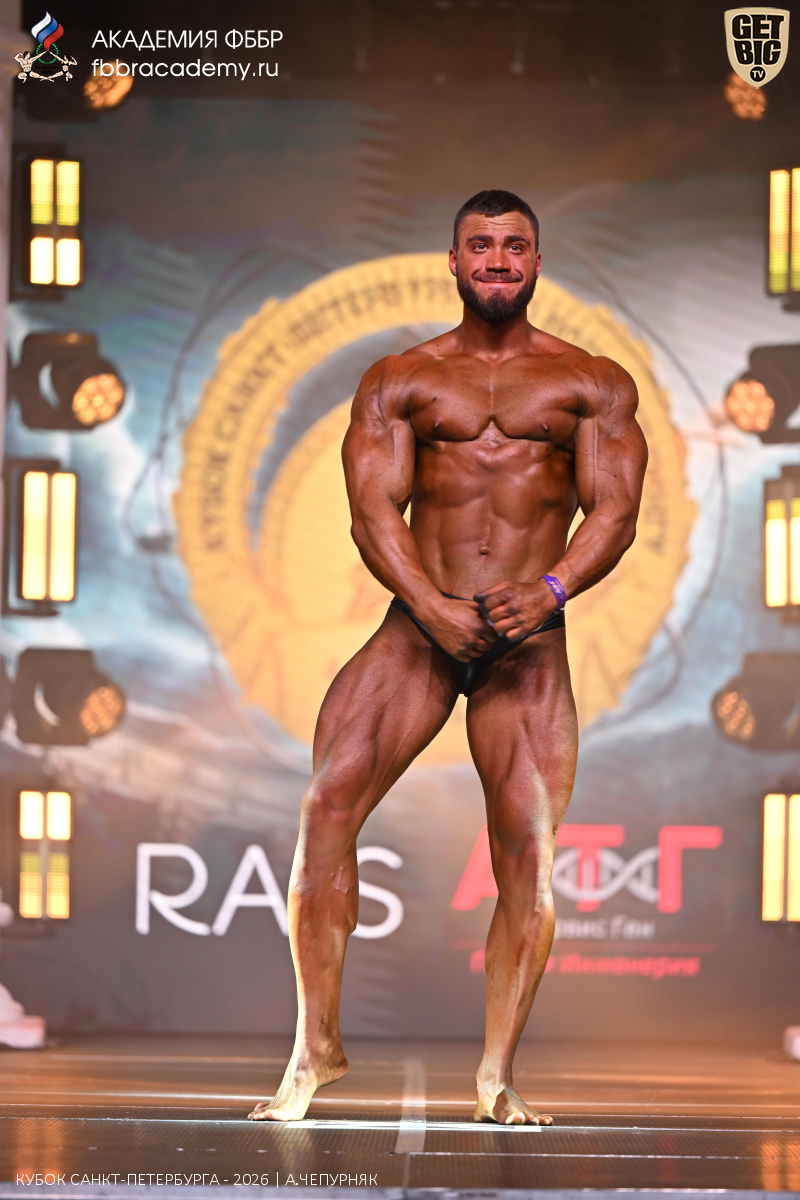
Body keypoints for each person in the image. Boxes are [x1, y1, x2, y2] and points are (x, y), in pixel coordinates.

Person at [248, 189, 647, 1126]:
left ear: (537, 262)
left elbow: (617, 512)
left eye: (515, 245)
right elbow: (371, 510)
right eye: (481, 245)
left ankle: (497, 1077)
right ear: (456, 262)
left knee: (529, 856)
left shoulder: (592, 381)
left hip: (528, 643)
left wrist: (548, 592)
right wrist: (429, 605)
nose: (498, 259)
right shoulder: (401, 378)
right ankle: (313, 1049)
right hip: (418, 630)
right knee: (325, 804)